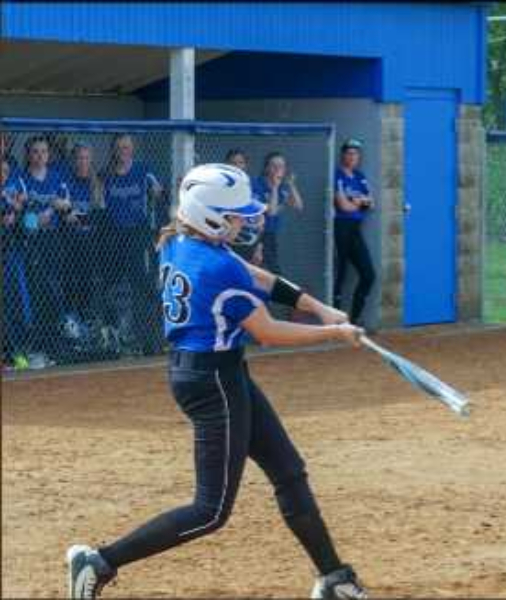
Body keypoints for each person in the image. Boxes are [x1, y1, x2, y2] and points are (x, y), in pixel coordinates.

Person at [66, 163, 368, 600]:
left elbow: (257, 276)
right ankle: (98, 562)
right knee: (210, 511)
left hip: (217, 372)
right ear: (209, 217)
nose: (244, 221)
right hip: (212, 383)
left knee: (288, 471)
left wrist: (318, 307)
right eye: (235, 215)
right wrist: (333, 333)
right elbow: (268, 332)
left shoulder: (180, 241)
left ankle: (334, 578)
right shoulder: (215, 264)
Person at [102, 133, 165, 355]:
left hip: (139, 233)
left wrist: (157, 192)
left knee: (143, 285)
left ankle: (151, 338)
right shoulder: (106, 174)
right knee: (111, 286)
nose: (123, 151)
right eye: (119, 147)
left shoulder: (143, 170)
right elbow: (99, 201)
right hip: (113, 235)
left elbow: (159, 191)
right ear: (114, 150)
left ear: (132, 149)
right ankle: (114, 339)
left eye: (127, 147)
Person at [20, 135, 71, 366]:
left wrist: (52, 208)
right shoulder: (22, 178)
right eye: (35, 152)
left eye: (44, 152)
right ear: (29, 155)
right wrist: (35, 219)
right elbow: (22, 216)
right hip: (32, 242)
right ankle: (38, 344)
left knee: (54, 288)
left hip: (53, 240)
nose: (40, 156)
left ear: (49, 155)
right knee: (36, 289)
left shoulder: (56, 177)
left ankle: (54, 343)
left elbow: (66, 203)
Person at [62, 142, 106, 323]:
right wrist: (79, 216)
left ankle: (86, 318)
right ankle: (70, 319)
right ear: (74, 160)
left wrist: (78, 217)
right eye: (79, 158)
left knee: (87, 281)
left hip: (90, 241)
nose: (83, 162)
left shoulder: (96, 183)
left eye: (86, 158)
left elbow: (100, 215)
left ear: (91, 160)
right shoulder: (66, 181)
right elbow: (65, 216)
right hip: (70, 241)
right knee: (70, 280)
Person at [333, 139, 376, 325]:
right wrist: (359, 202)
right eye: (349, 153)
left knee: (368, 274)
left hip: (355, 229)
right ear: (343, 155)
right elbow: (344, 206)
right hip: (340, 228)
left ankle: (354, 319)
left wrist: (356, 201)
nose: (352, 157)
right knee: (339, 275)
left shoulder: (359, 176)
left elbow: (371, 203)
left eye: (355, 154)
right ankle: (335, 322)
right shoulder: (337, 175)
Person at [1, 158, 32, 368]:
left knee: (18, 301)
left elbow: (31, 224)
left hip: (12, 253)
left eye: (5, 171)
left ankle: (16, 351)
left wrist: (17, 211)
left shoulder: (14, 197)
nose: (2, 175)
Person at [252, 151, 303, 273]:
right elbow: (272, 212)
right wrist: (275, 187)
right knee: (270, 270)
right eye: (274, 165)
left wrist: (291, 185)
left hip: (270, 234)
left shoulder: (282, 187)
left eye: (281, 166)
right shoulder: (256, 183)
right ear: (266, 168)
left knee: (265, 269)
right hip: (255, 233)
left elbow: (298, 206)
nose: (278, 169)